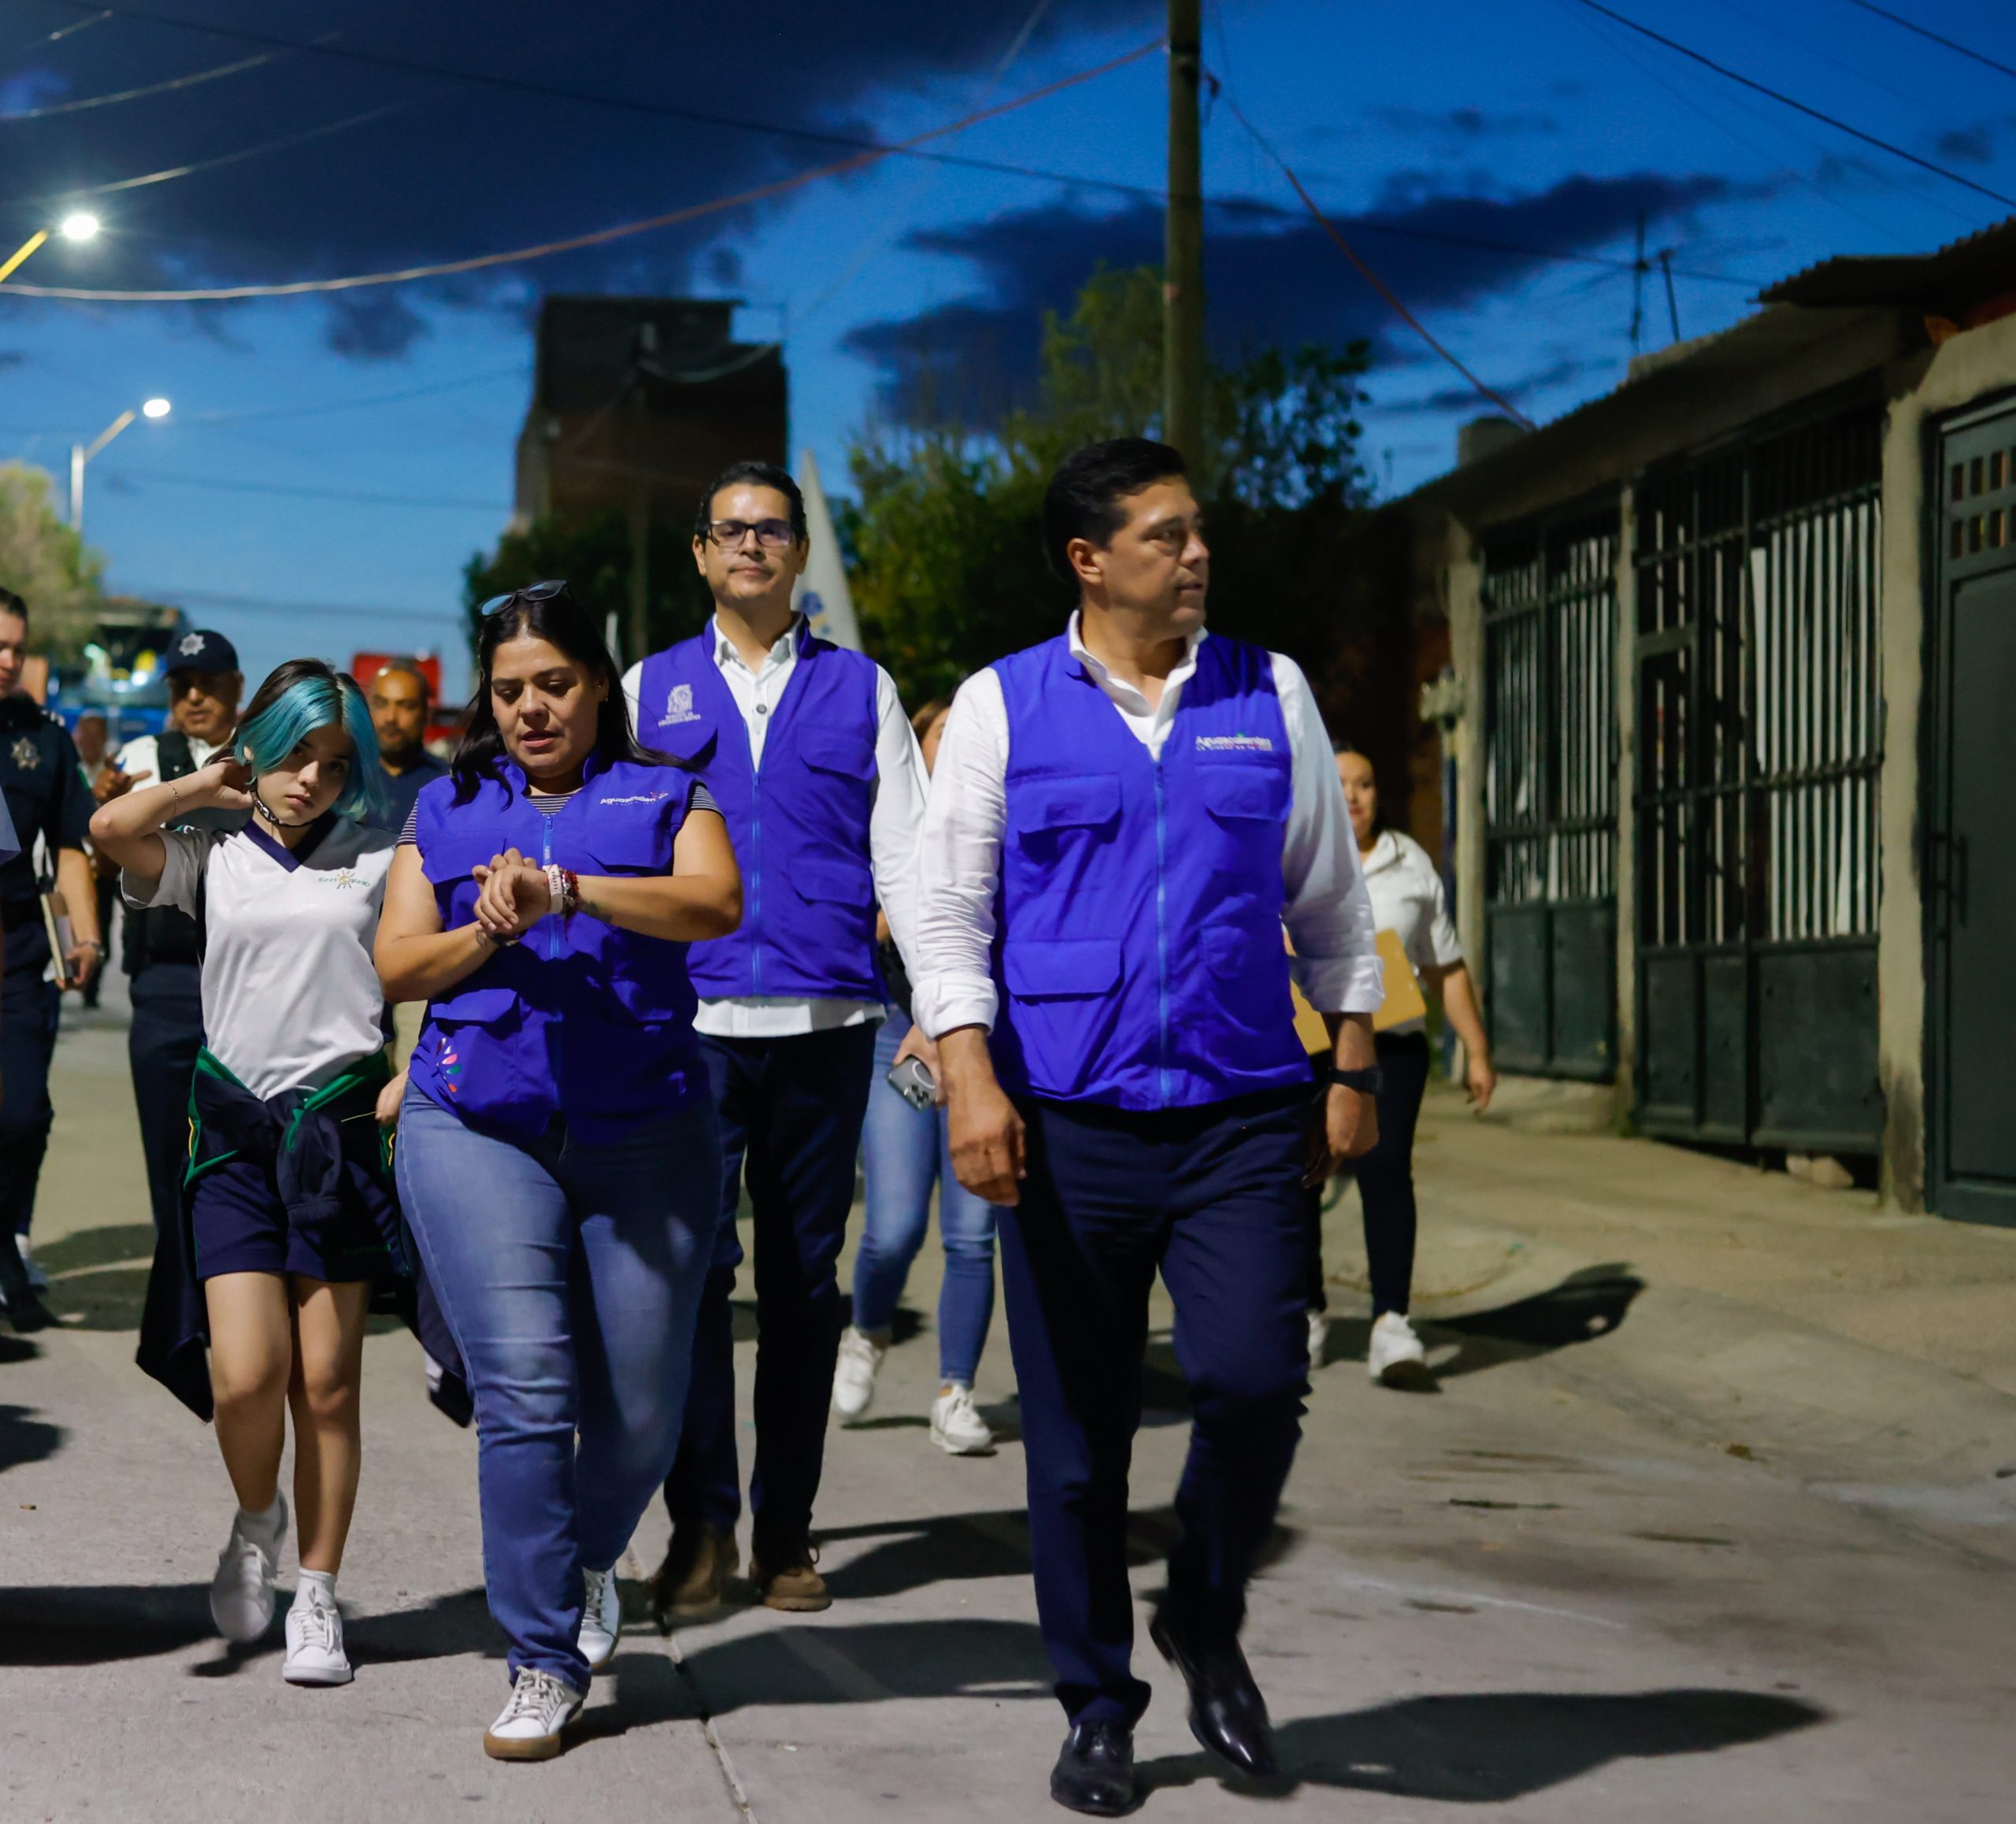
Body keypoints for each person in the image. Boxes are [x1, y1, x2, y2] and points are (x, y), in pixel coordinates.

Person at [914, 439, 1384, 1815]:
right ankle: (1096, 1706)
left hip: (1242, 1110)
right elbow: (946, 913)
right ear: (1090, 559)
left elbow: (1328, 899)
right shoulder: (1002, 705)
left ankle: (1204, 1610)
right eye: (1167, 536)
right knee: (1076, 1443)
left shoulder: (1265, 692)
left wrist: (1351, 1062)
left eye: (1198, 532)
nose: (1197, 556)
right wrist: (971, 1079)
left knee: (1254, 1379)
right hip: (1065, 1122)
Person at [379, 582, 739, 1762]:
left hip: (648, 1136)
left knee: (639, 1418)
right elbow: (395, 966)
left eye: (554, 684)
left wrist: (569, 890)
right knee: (528, 1390)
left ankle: (581, 1560)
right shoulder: (445, 807)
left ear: (596, 686)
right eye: (508, 690)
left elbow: (717, 902)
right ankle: (541, 1656)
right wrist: (490, 926)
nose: (531, 708)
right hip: (477, 1127)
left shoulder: (667, 793)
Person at [622, 460, 929, 1624]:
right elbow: (613, 853)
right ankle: (700, 1529)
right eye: (731, 530)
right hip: (689, 1031)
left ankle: (785, 1531)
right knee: (692, 1279)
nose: (751, 545)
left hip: (827, 1028)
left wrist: (938, 1012)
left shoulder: (863, 688)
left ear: (797, 552)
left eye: (772, 530)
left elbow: (908, 860)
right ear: (702, 553)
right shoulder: (649, 689)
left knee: (803, 1287)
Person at [92, 658, 397, 1687]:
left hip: (338, 1136)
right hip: (231, 1140)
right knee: (245, 1375)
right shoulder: (212, 854)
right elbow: (109, 831)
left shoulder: (379, 855)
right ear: (255, 749)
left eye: (333, 762)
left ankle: (317, 1596)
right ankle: (257, 1518)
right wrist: (202, 783)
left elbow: (427, 965)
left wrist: (413, 1073)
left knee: (328, 1384)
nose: (311, 778)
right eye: (294, 754)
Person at [833, 696, 1003, 1455]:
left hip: (979, 1048)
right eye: (941, 731)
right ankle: (868, 1330)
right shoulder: (887, 825)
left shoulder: (998, 826)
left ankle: (954, 1392)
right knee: (896, 1222)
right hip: (897, 1048)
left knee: (972, 1234)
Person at [1310, 744, 1496, 1385]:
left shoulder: (1410, 862)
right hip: (1310, 1042)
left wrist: (1477, 1050)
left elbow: (1446, 966)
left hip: (1392, 1044)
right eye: (1340, 783)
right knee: (1303, 1171)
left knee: (1385, 1169)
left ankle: (1391, 1322)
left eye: (1365, 783)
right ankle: (1306, 1312)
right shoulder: (1293, 856)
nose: (1353, 796)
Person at [96, 630, 245, 1241]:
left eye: (208, 684)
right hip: (165, 974)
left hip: (242, 975)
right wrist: (105, 810)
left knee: (235, 1149)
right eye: (183, 686)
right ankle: (178, 1278)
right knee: (166, 1149)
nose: (195, 697)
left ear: (237, 688)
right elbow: (104, 860)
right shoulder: (140, 758)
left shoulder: (266, 757)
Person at [0, 588, 102, 1329]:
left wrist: (85, 936)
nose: (7, 660)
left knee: (22, 1113)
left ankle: (10, 1236)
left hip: (17, 952)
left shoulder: (45, 740)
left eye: (16, 647)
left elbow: (69, 846)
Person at [365, 660, 448, 834]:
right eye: (381, 703)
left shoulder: (449, 783)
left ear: (426, 713)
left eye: (405, 706)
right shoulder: (346, 777)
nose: (390, 718)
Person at [73, 712, 119, 1010]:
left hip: (104, 866)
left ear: (103, 739)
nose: (88, 742)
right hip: (74, 860)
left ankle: (92, 987)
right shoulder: (69, 769)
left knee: (102, 922)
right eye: (84, 735)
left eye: (94, 736)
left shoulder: (115, 772)